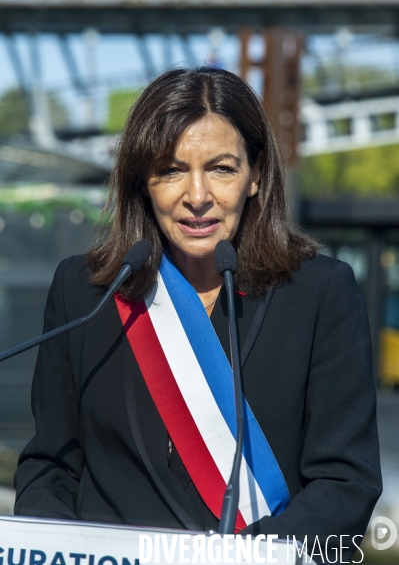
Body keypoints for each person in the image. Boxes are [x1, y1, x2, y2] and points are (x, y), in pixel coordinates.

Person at [14, 68, 381, 563]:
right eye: (170, 169)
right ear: (142, 181)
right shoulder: (86, 294)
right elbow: (48, 468)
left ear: (256, 176)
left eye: (222, 168)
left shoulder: (319, 294)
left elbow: (345, 485)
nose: (197, 196)